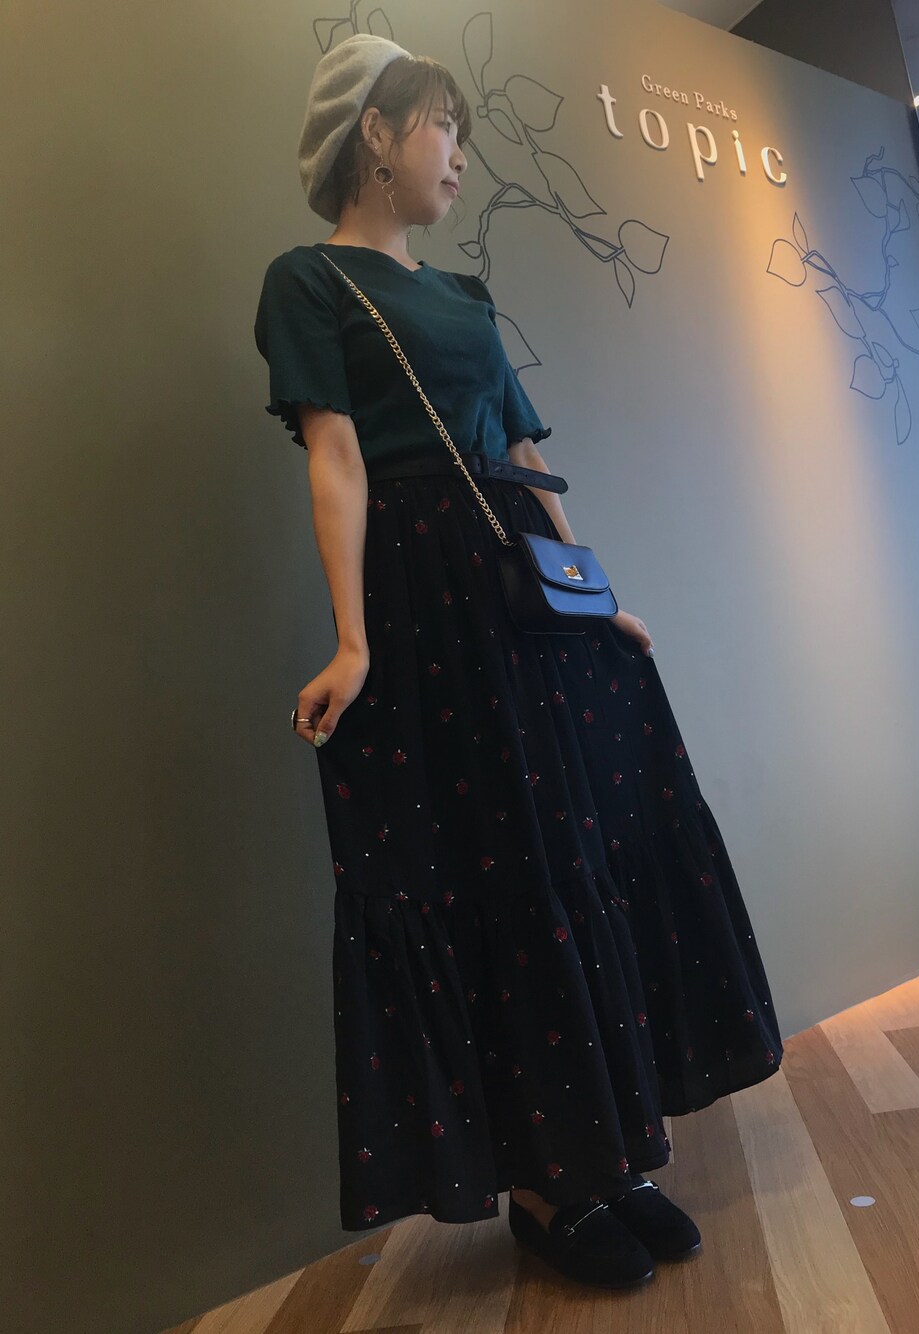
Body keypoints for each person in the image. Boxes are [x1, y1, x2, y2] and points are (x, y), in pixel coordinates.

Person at [253, 31, 784, 1290]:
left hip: (518, 605)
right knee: (503, 878)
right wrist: (353, 638)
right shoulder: (307, 281)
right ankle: (551, 1185)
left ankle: (613, 1150)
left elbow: (528, 462)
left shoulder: (467, 295)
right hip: (425, 612)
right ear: (376, 132)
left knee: (578, 855)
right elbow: (336, 458)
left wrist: (599, 602)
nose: (459, 153)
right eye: (443, 125)